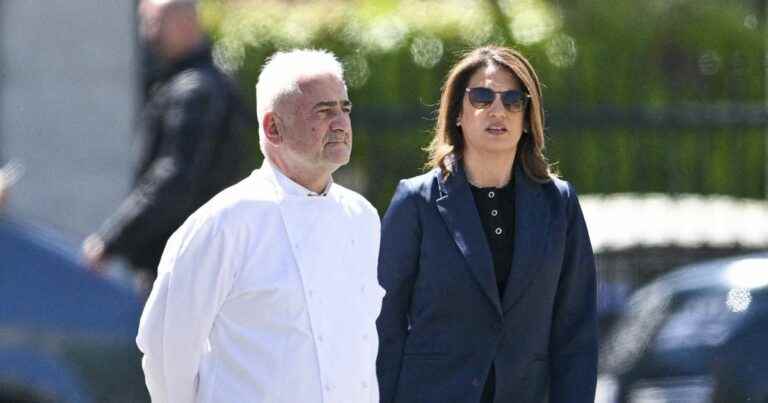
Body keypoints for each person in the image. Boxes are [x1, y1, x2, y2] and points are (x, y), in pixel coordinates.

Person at [136, 49, 384, 403]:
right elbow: (165, 351)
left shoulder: (361, 217)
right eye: (324, 111)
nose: (341, 123)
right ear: (273, 127)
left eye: (344, 109)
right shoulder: (225, 223)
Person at [376, 45, 597, 403]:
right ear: (458, 113)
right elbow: (385, 325)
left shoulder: (560, 204)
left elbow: (575, 329)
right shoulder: (417, 201)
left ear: (528, 118)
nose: (498, 110)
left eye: (513, 100)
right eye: (481, 97)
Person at [81, 0, 250, 287]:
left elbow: (173, 179)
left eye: (156, 23)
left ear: (185, 24)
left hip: (185, 264)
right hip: (201, 259)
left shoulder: (194, 91)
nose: (148, 33)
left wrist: (111, 241)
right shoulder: (199, 84)